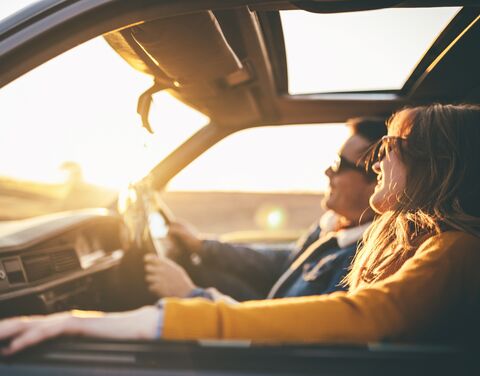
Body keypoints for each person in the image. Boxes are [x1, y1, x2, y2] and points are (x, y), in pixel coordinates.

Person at [1, 104, 480, 355]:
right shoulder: (403, 243)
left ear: (441, 165)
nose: (379, 157)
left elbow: (365, 316)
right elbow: (283, 265)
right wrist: (203, 250)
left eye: (395, 144)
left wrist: (145, 316)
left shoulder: (457, 251)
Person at [144, 117, 387, 302]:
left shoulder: (361, 261)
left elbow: (293, 337)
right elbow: (282, 263)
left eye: (340, 164)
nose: (328, 172)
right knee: (204, 269)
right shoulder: (334, 225)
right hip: (266, 312)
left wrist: (191, 295)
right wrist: (202, 246)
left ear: (375, 179)